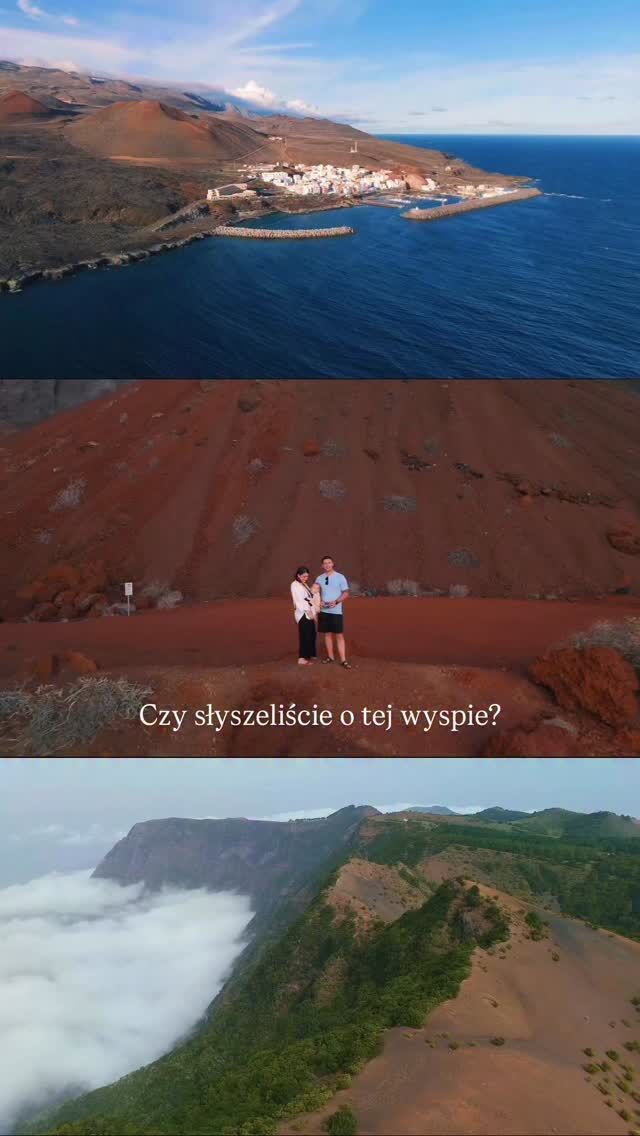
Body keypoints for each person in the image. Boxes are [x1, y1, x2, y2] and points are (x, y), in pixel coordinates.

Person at [315, 555, 351, 668]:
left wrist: (336, 601)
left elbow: (346, 593)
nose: (327, 565)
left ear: (332, 564)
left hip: (336, 611)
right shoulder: (319, 578)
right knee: (327, 635)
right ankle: (330, 657)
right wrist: (318, 602)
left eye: (329, 562)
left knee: (339, 635)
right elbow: (314, 592)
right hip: (324, 611)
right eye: (325, 563)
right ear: (322, 565)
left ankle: (343, 660)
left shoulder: (340, 577)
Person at [290, 566, 317, 665]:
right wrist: (308, 611)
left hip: (309, 613)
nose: (306, 578)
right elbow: (299, 600)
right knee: (305, 635)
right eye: (304, 576)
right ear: (298, 575)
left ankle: (309, 654)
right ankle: (302, 658)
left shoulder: (304, 584)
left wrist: (313, 611)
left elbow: (309, 597)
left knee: (312, 634)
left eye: (307, 577)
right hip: (303, 614)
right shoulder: (295, 585)